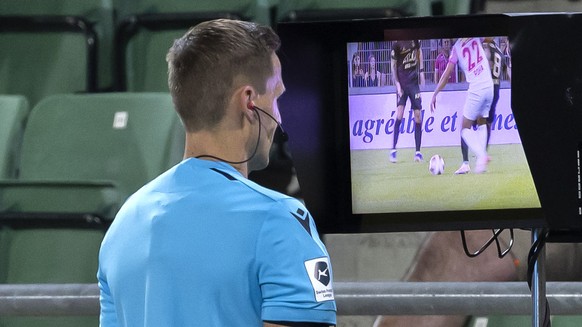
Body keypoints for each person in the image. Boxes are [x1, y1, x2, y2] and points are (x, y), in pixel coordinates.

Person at [97, 19, 337, 327]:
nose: (279, 117)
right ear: (249, 101)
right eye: (276, 98)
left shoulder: (125, 222)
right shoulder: (279, 217)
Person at [431, 37, 493, 174]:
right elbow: (490, 38)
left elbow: (446, 75)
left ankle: (479, 157)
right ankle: (481, 163)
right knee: (482, 121)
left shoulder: (457, 48)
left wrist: (435, 93)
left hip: (477, 88)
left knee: (464, 128)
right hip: (489, 85)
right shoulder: (476, 36)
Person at [455, 37, 508, 174]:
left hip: (482, 86)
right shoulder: (499, 51)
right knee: (484, 123)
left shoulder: (485, 46)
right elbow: (504, 70)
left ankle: (467, 161)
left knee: (466, 124)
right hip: (495, 89)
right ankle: (481, 157)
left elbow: (486, 62)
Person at [390, 40, 426, 163]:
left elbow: (419, 51)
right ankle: (393, 150)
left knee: (418, 117)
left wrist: (421, 71)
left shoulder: (415, 39)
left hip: (414, 83)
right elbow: (393, 66)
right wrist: (397, 84)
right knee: (399, 114)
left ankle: (418, 153)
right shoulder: (396, 44)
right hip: (402, 84)